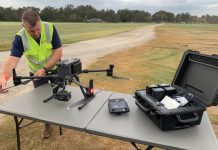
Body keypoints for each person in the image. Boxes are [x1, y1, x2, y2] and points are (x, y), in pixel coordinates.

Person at [0, 10, 63, 138]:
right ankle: (47, 125)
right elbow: (12, 60)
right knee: (42, 101)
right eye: (31, 31)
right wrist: (3, 78)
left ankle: (61, 119)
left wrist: (45, 68)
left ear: (40, 21)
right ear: (24, 26)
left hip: (56, 68)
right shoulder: (20, 37)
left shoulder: (50, 27)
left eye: (38, 29)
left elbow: (58, 51)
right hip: (36, 73)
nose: (36, 33)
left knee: (60, 95)